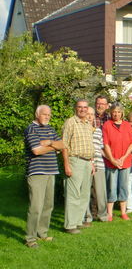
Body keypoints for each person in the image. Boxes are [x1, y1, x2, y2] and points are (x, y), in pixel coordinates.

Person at [24, 105, 65, 248]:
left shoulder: (50, 129)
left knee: (48, 205)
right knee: (36, 206)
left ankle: (42, 233)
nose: (47, 117)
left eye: (49, 114)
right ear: (37, 114)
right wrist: (54, 147)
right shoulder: (31, 129)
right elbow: (36, 151)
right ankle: (30, 238)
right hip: (36, 173)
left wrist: (49, 143)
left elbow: (62, 145)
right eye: (44, 114)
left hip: (51, 171)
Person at [62, 100, 95, 234]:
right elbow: (64, 145)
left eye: (85, 108)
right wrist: (66, 164)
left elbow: (89, 145)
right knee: (73, 194)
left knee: (84, 194)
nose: (82, 110)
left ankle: (78, 221)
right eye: (80, 107)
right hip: (74, 160)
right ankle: (70, 225)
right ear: (75, 108)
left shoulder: (88, 124)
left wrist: (91, 163)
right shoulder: (70, 122)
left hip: (87, 162)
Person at [103, 102, 132, 221]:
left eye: (118, 112)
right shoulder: (107, 125)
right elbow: (105, 144)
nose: (116, 114)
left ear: (122, 113)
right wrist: (112, 159)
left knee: (123, 186)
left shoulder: (127, 125)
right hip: (111, 162)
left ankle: (123, 212)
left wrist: (124, 157)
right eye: (114, 112)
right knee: (111, 187)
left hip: (125, 162)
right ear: (111, 113)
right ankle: (110, 214)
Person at [84, 107, 108, 224]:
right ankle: (87, 217)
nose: (89, 116)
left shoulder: (98, 131)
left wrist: (111, 159)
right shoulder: (81, 130)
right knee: (86, 192)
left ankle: (102, 215)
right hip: (86, 164)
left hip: (99, 164)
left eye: (92, 114)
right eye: (88, 114)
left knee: (100, 192)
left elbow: (101, 148)